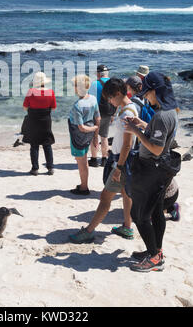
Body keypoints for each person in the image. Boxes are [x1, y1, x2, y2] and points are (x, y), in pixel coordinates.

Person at [68, 78, 138, 242]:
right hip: (123, 160)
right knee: (126, 195)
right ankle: (127, 227)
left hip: (122, 161)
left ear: (119, 93)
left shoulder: (127, 113)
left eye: (111, 98)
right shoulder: (126, 108)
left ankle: (89, 231)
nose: (110, 102)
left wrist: (119, 167)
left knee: (105, 198)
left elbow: (127, 145)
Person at [124, 71, 180, 272]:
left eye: (147, 92)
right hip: (161, 169)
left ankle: (154, 257)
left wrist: (135, 131)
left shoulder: (161, 116)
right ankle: (155, 250)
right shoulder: (171, 111)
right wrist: (144, 125)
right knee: (155, 212)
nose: (146, 96)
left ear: (155, 91)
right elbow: (165, 140)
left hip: (151, 169)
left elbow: (156, 148)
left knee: (138, 214)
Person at [68, 75, 100, 195]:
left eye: (75, 85)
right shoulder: (93, 99)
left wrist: (94, 128)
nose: (74, 88)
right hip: (89, 135)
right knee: (83, 160)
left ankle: (84, 187)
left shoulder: (77, 105)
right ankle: (83, 184)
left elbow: (81, 127)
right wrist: (95, 135)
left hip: (79, 136)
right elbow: (98, 117)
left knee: (81, 162)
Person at [22, 72, 56, 176]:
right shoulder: (50, 92)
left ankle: (35, 169)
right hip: (46, 120)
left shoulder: (31, 92)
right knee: (47, 144)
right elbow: (53, 107)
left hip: (33, 120)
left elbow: (25, 107)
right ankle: (50, 168)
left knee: (34, 144)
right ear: (44, 82)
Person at [88, 65, 115, 167]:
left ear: (98, 74)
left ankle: (94, 159)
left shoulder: (94, 84)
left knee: (94, 136)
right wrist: (113, 114)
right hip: (108, 113)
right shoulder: (113, 83)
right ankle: (104, 159)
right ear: (107, 73)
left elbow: (90, 100)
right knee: (104, 137)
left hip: (96, 114)